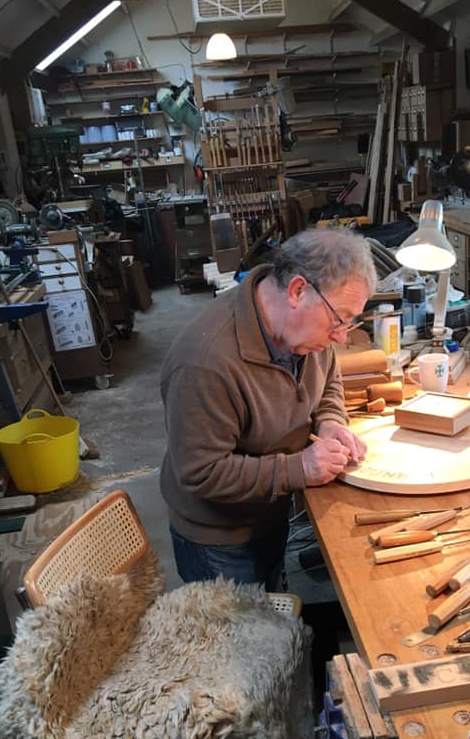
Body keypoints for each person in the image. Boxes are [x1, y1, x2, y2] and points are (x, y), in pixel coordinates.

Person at [160, 227, 377, 591]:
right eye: (339, 319)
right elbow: (201, 472)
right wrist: (300, 467)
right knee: (238, 642)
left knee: (273, 606)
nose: (342, 336)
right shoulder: (205, 363)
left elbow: (329, 380)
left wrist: (330, 422)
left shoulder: (307, 332)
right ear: (297, 291)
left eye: (351, 322)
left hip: (269, 513)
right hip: (220, 539)